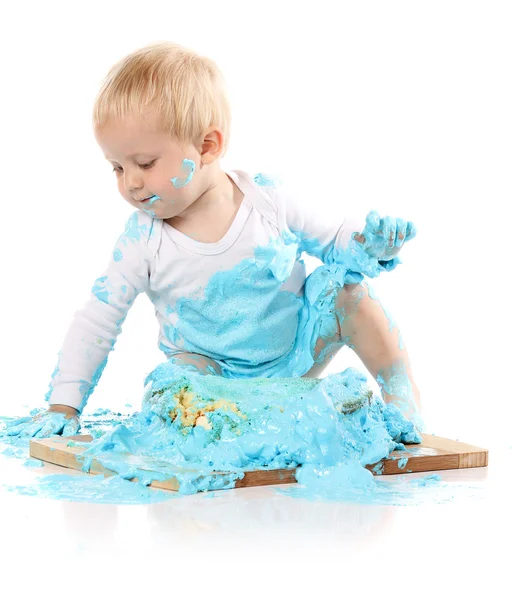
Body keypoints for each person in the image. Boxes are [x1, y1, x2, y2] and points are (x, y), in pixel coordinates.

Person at [4, 41, 421, 439]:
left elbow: (336, 239)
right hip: (211, 376)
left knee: (349, 292)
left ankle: (402, 402)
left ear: (207, 146)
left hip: (295, 356)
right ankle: (253, 418)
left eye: (145, 163)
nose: (130, 182)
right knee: (170, 387)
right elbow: (98, 319)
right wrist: (64, 405)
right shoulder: (142, 239)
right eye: (116, 167)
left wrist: (372, 244)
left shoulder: (269, 202)